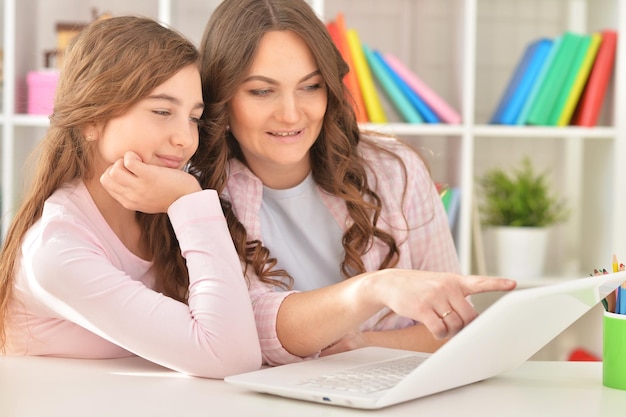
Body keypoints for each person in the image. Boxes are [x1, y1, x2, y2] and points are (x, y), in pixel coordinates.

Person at [191, 0, 516, 366]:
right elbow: (247, 328)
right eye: (262, 91)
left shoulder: (393, 170)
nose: (291, 113)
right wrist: (374, 289)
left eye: (310, 86)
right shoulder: (197, 196)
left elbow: (453, 324)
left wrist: (368, 345)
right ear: (221, 97)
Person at [0, 16, 262, 379]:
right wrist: (190, 199)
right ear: (91, 120)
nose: (185, 139)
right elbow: (232, 356)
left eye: (194, 119)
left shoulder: (160, 211)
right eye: (162, 112)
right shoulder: (56, 250)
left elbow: (245, 318)